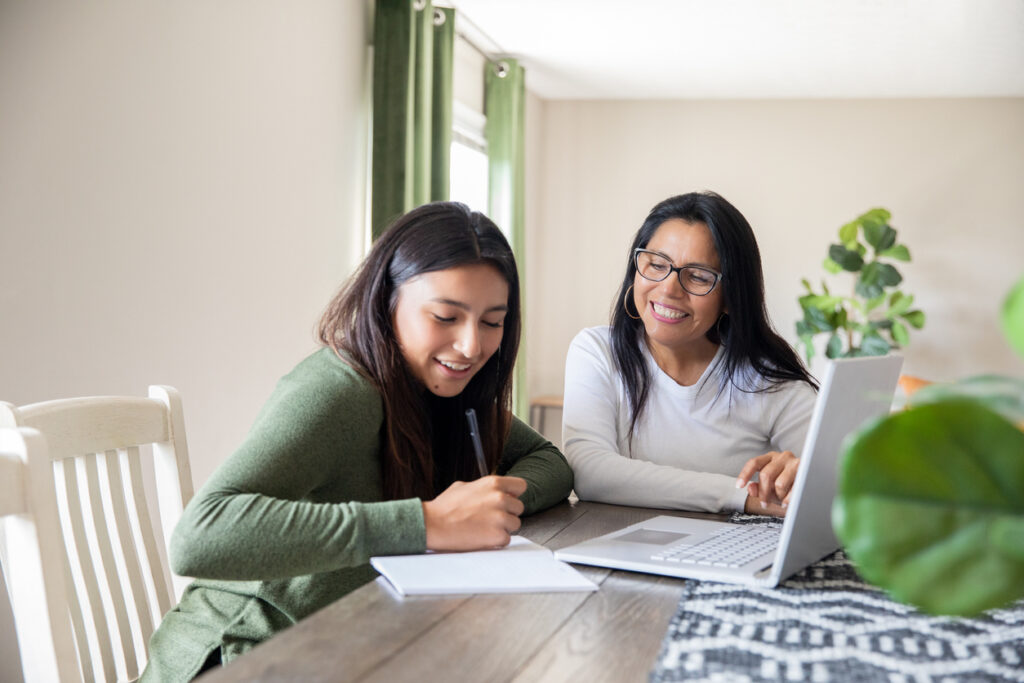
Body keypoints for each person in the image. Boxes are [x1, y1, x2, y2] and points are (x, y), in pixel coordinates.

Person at [142, 202, 573, 681]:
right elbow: (198, 537)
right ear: (388, 301)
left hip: (355, 642)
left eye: (493, 322)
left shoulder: (444, 390)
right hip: (244, 652)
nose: (472, 346)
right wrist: (427, 522)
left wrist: (489, 505)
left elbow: (549, 462)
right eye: (446, 316)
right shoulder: (337, 391)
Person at [562, 191, 817, 517]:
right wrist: (743, 497)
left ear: (731, 296)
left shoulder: (768, 382)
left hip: (729, 556)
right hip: (618, 550)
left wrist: (804, 474)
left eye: (698, 276)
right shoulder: (597, 352)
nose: (669, 289)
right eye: (656, 264)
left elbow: (839, 484)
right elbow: (590, 473)